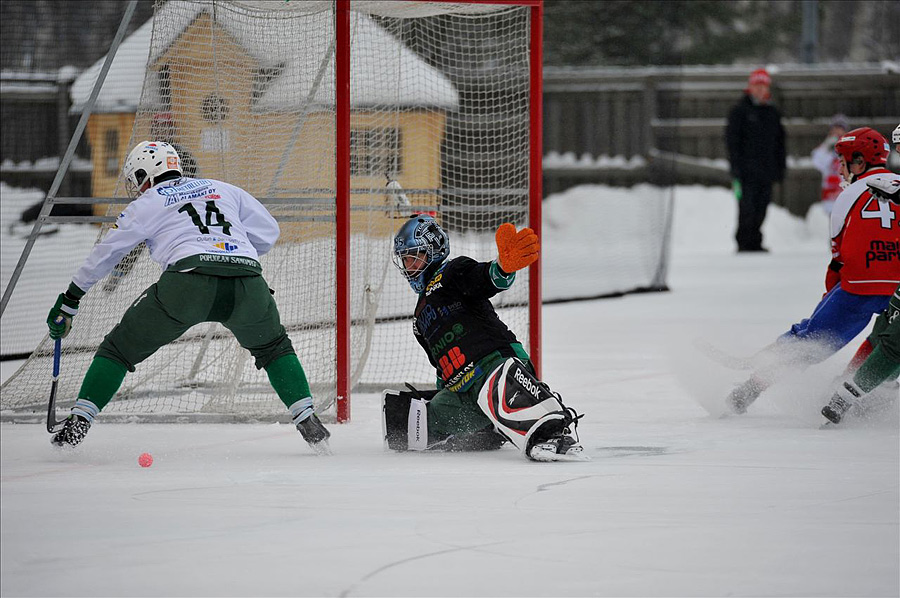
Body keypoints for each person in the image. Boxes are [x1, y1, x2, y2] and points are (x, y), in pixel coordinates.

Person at [45, 141, 331, 453]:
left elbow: (108, 251)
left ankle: (78, 422)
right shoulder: (224, 188)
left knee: (118, 350)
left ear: (146, 175)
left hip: (186, 284)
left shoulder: (149, 201)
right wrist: (236, 255)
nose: (137, 188)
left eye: (136, 180)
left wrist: (71, 298)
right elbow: (269, 232)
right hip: (248, 282)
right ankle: (307, 418)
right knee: (274, 348)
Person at [382, 214, 587, 462]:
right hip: (461, 389)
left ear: (434, 250)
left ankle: (552, 430)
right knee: (429, 415)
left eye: (416, 257)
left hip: (492, 361)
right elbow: (439, 363)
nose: (410, 266)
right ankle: (490, 429)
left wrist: (502, 268)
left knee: (497, 385)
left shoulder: (451, 271)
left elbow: (484, 278)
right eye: (406, 260)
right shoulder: (418, 318)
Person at [728, 126, 899, 414]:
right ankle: (848, 395)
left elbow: (838, 258)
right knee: (886, 342)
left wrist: (827, 301)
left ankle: (751, 386)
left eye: (844, 162)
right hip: (897, 286)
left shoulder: (848, 196)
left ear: (859, 162)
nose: (841, 170)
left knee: (811, 342)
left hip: (858, 285)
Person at [821, 123, 900, 424]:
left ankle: (850, 392)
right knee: (888, 332)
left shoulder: (852, 192)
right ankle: (860, 390)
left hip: (863, 282)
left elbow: (837, 252)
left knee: (893, 340)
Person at [725, 68, 787, 253]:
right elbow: (732, 142)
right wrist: (736, 167)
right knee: (747, 207)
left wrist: (780, 168)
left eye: (763, 86)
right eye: (756, 85)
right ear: (750, 87)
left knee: (762, 207)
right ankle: (744, 241)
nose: (760, 90)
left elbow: (780, 143)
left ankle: (756, 240)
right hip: (745, 172)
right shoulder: (739, 111)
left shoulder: (772, 113)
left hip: (766, 171)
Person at [810, 114, 849, 215]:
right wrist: (826, 146)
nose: (837, 131)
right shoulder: (826, 146)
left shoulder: (849, 146)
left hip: (844, 188)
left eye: (840, 128)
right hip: (830, 190)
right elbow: (816, 161)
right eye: (835, 128)